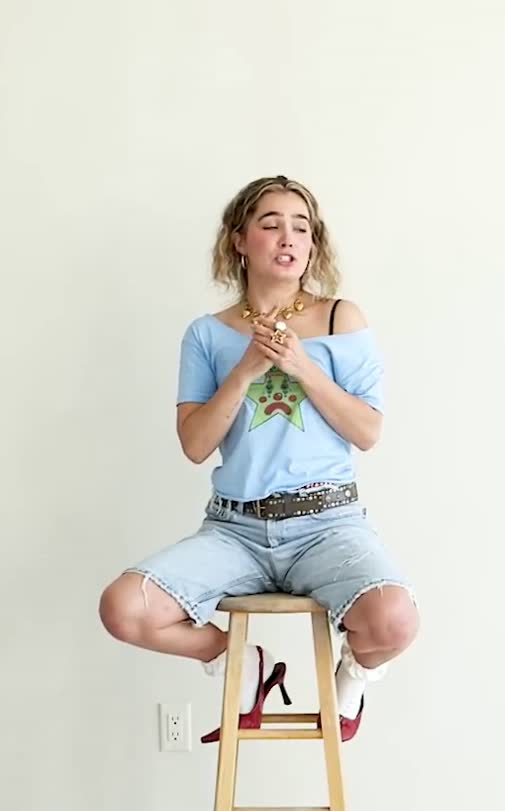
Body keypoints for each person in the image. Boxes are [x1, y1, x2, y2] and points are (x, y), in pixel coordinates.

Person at [98, 175, 418, 742]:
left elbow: (368, 431)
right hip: (236, 529)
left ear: (314, 243)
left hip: (327, 524)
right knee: (123, 608)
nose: (288, 237)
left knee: (394, 620)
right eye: (270, 224)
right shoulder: (207, 335)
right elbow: (196, 445)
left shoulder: (340, 318)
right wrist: (245, 370)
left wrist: (302, 367)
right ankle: (240, 661)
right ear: (240, 241)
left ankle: (353, 674)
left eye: (301, 227)